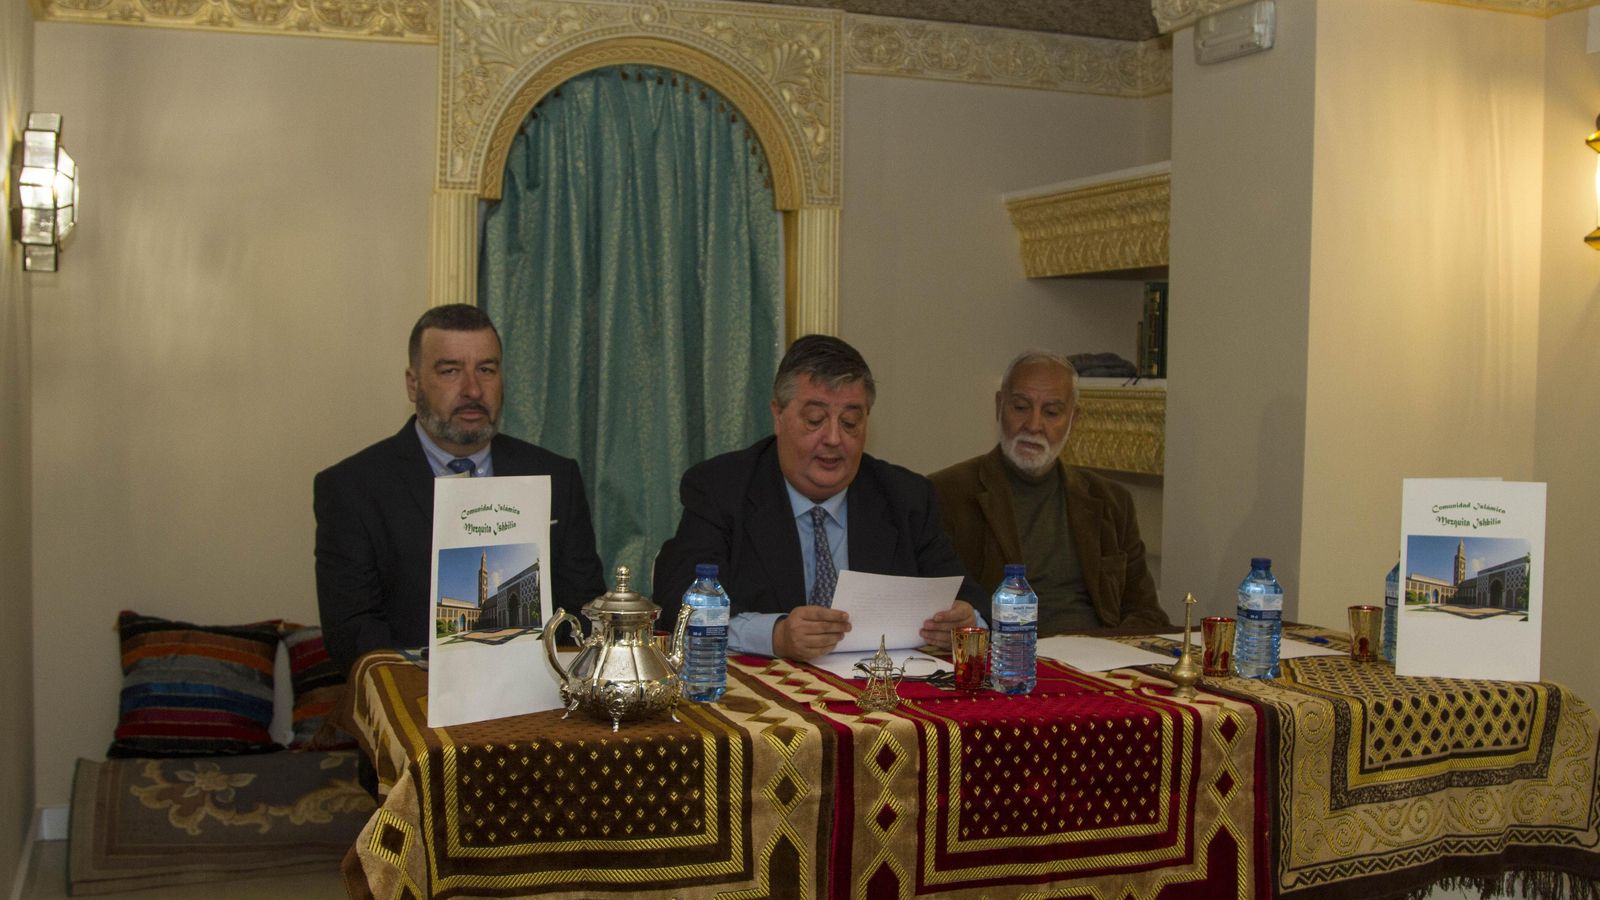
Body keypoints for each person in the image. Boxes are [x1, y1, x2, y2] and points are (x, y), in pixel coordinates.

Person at [314, 304, 606, 675]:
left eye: (486, 370)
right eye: (450, 371)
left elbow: (584, 608)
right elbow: (351, 633)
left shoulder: (555, 476)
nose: (472, 389)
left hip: (540, 697)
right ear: (413, 383)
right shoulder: (352, 488)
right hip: (415, 704)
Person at [653, 335, 981, 661]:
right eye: (815, 420)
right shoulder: (721, 489)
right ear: (778, 416)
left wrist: (966, 620)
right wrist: (775, 635)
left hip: (879, 694)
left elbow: (968, 600)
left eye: (851, 422)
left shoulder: (906, 497)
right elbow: (677, 605)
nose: (834, 438)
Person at [929, 350, 1170, 633]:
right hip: (1009, 658)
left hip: (1099, 656)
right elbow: (943, 611)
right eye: (1020, 407)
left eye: (1051, 412)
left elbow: (1146, 614)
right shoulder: (945, 494)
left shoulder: (1111, 501)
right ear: (998, 405)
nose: (1033, 425)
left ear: (1073, 419)